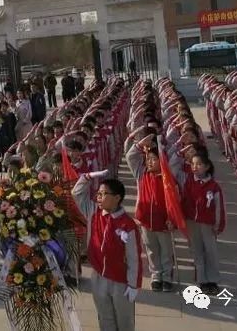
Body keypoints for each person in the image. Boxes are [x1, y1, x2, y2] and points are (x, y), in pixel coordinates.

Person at [73, 172, 142, 331]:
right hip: (98, 276)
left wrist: (133, 285)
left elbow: (134, 258)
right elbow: (76, 193)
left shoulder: (127, 225)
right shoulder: (93, 213)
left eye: (103, 194)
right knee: (105, 318)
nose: (99, 197)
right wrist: (86, 178)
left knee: (124, 320)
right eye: (98, 194)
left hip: (120, 280)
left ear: (117, 198)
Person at [126, 138, 174, 292]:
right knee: (151, 249)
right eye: (148, 160)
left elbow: (175, 202)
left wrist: (172, 219)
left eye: (154, 159)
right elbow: (130, 156)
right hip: (146, 220)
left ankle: (167, 276)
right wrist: (141, 143)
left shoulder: (168, 179)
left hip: (164, 221)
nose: (150, 162)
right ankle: (156, 275)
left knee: (166, 250)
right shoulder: (142, 175)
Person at [174, 153, 225, 296]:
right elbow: (183, 200)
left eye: (198, 164)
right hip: (192, 222)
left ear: (207, 166)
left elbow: (219, 208)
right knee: (197, 251)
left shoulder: (214, 186)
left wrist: (218, 225)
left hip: (207, 224)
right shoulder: (188, 182)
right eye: (192, 164)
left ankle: (212, 280)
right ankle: (202, 280)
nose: (195, 167)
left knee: (210, 251)